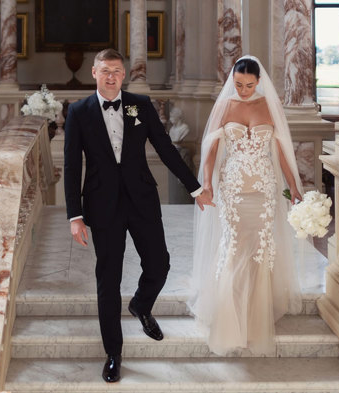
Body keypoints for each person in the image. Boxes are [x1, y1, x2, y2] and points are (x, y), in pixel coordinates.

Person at [64, 48, 214, 383]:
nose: (111, 76)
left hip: (142, 200)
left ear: (124, 74)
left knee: (160, 263)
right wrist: (74, 215)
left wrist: (195, 188)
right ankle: (113, 354)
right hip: (102, 206)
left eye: (117, 70)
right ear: (94, 72)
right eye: (105, 71)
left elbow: (165, 149)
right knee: (108, 279)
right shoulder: (78, 112)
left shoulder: (140, 106)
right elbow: (73, 166)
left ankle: (142, 305)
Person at [189, 55, 304, 356]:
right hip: (233, 189)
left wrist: (292, 186)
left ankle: (254, 322)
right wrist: (208, 184)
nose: (242, 90)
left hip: (264, 190)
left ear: (259, 82)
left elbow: (280, 151)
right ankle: (230, 324)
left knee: (258, 251)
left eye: (248, 85)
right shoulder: (226, 106)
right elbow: (211, 149)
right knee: (235, 248)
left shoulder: (269, 106)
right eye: (238, 84)